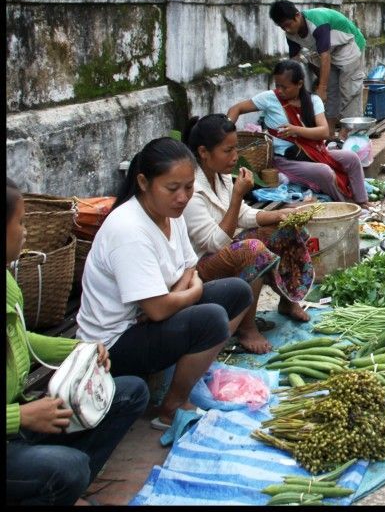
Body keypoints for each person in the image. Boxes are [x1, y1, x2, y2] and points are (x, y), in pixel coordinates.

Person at [75, 139, 253, 429]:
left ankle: (191, 369)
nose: (183, 197)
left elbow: (189, 266)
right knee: (211, 319)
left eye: (188, 188)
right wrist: (190, 292)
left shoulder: (171, 212)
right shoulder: (129, 229)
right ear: (143, 182)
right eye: (173, 188)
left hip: (149, 318)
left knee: (237, 292)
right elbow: (158, 309)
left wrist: (175, 294)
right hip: (112, 345)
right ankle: (171, 407)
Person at [7, 179, 149, 506]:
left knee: (128, 393)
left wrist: (78, 348)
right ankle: (57, 480)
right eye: (20, 223)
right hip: (16, 420)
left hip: (20, 417)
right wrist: (21, 416)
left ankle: (62, 486)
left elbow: (20, 339)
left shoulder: (7, 279)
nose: (26, 232)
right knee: (68, 468)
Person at [183, 114, 316, 354]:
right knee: (252, 250)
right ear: (204, 152)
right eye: (228, 150)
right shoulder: (191, 189)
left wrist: (280, 215)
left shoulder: (220, 174)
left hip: (226, 247)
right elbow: (214, 242)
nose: (235, 157)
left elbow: (243, 214)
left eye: (236, 149)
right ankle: (246, 328)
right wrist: (236, 196)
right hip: (200, 267)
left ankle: (288, 300)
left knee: (286, 230)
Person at [226, 60, 369, 206]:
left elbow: (324, 132)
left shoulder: (314, 101)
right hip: (286, 160)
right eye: (277, 85)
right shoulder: (269, 98)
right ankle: (345, 205)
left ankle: (362, 200)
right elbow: (236, 108)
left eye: (285, 87)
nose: (280, 90)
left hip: (315, 152)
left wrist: (295, 130)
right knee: (324, 172)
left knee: (351, 158)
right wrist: (226, 129)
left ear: (299, 84)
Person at [269, 0, 367, 138]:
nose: (287, 29)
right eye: (282, 27)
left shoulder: (317, 23)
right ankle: (330, 132)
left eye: (288, 25)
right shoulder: (290, 34)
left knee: (349, 90)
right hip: (330, 51)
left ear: (297, 16)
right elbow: (293, 62)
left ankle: (349, 133)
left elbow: (325, 56)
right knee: (332, 92)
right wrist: (291, 87)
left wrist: (321, 88)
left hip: (349, 46)